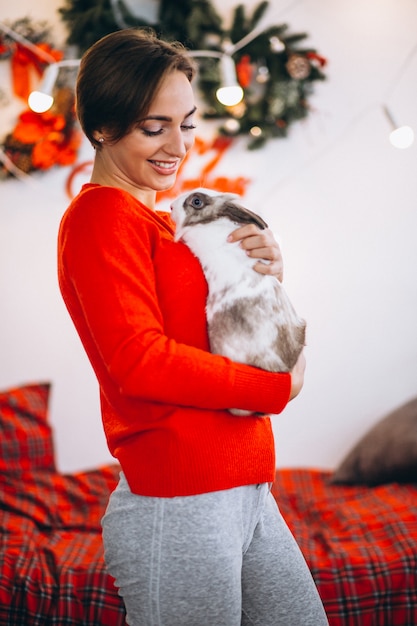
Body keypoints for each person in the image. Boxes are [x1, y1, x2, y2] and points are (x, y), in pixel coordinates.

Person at [57, 28, 328, 626]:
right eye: (155, 127)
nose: (177, 145)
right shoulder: (101, 216)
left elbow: (219, 328)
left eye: (187, 122)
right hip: (178, 502)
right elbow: (139, 361)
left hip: (246, 487)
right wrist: (274, 390)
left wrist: (267, 269)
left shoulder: (165, 226)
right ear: (102, 127)